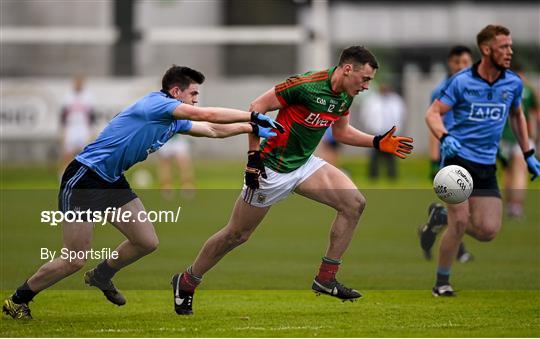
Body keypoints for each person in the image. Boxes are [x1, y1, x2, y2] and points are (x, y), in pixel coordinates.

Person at [2, 65, 282, 320]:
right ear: (176, 92)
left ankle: (102, 275)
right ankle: (18, 300)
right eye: (193, 93)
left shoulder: (172, 120)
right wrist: (254, 115)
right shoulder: (156, 104)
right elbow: (206, 115)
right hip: (85, 178)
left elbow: (211, 128)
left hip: (111, 180)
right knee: (74, 259)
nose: (196, 99)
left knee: (146, 241)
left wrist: (251, 127)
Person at [171, 46, 414, 315]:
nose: (367, 85)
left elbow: (342, 133)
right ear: (347, 70)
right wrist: (253, 157)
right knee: (236, 235)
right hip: (271, 169)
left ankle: (326, 278)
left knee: (354, 203)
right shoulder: (305, 85)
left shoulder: (346, 95)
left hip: (304, 164)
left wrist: (377, 142)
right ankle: (186, 281)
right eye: (365, 78)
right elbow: (256, 108)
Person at [423, 25, 540, 297]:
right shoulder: (462, 81)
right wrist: (444, 136)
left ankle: (439, 216)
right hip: (457, 161)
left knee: (488, 231)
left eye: (510, 46)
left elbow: (517, 116)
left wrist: (528, 154)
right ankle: (442, 283)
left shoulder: (512, 82)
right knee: (461, 222)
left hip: (487, 165)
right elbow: (432, 113)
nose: (510, 52)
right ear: (486, 50)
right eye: (504, 47)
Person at [419, 46, 474, 263]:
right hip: (451, 155)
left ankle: (438, 219)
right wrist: (434, 160)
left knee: (471, 207)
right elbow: (434, 126)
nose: (461, 66)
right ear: (449, 64)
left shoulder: (476, 89)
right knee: (462, 205)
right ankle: (459, 251)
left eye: (465, 62)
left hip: (475, 155)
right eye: (457, 62)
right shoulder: (442, 91)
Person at [498, 62, 539, 219]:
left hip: (503, 137)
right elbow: (536, 116)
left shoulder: (501, 90)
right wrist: (535, 137)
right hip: (524, 137)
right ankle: (516, 206)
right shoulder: (528, 90)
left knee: (508, 171)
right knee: (519, 171)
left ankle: (510, 205)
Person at [360, 83, 406, 180]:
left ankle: (392, 176)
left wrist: (398, 129)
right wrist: (370, 127)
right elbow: (365, 114)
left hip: (391, 134)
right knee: (374, 156)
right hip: (376, 132)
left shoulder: (396, 100)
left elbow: (401, 115)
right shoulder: (372, 100)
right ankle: (373, 176)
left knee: (391, 156)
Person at [59, 75, 96, 177]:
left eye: (80, 82)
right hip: (71, 127)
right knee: (67, 153)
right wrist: (63, 131)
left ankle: (85, 176)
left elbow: (92, 115)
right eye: (77, 82)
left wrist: (92, 130)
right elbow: (63, 115)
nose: (78, 84)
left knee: (86, 153)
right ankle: (63, 175)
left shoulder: (88, 96)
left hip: (83, 127)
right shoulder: (68, 96)